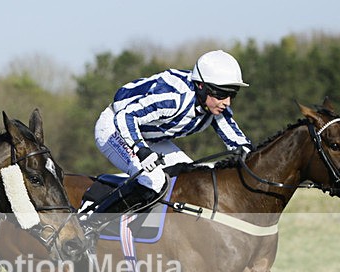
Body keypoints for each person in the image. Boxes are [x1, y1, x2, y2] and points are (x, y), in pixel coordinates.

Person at [91, 49, 252, 216]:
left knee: (192, 178)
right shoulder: (175, 99)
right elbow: (125, 117)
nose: (227, 102)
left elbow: (238, 142)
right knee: (155, 180)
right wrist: (141, 150)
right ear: (202, 87)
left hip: (150, 136)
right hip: (115, 127)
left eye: (232, 95)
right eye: (222, 94)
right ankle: (93, 224)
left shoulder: (215, 107)